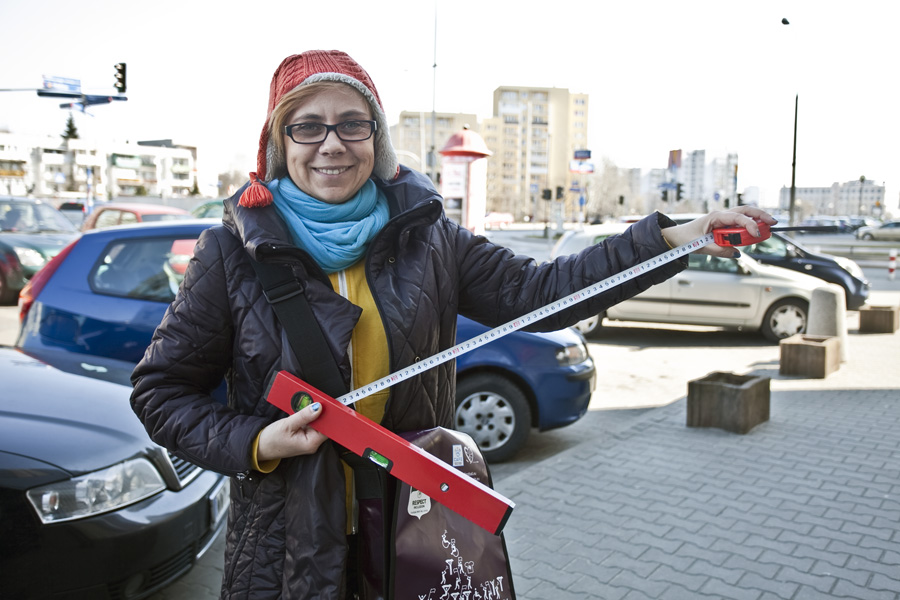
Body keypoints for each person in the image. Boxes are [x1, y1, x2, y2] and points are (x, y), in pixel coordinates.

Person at [130, 50, 775, 599]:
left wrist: (677, 238)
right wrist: (257, 444)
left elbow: (542, 291)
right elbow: (161, 392)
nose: (331, 143)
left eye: (352, 124)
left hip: (419, 531)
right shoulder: (232, 252)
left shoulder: (429, 238)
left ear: (376, 140)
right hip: (284, 554)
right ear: (278, 144)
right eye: (307, 126)